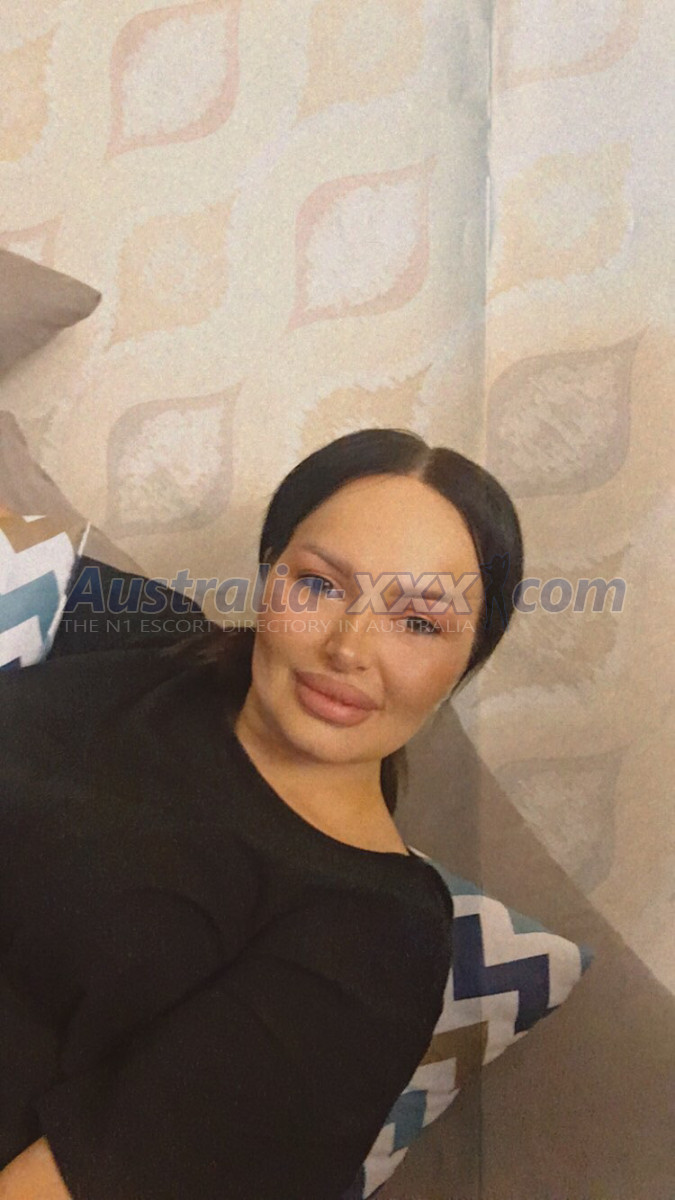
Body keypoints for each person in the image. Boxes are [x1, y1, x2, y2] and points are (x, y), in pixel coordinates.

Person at [0, 427, 523, 1200]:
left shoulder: (380, 939)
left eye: (418, 623)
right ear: (268, 574)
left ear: (466, 661)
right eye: (320, 585)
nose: (348, 647)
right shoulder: (155, 640)